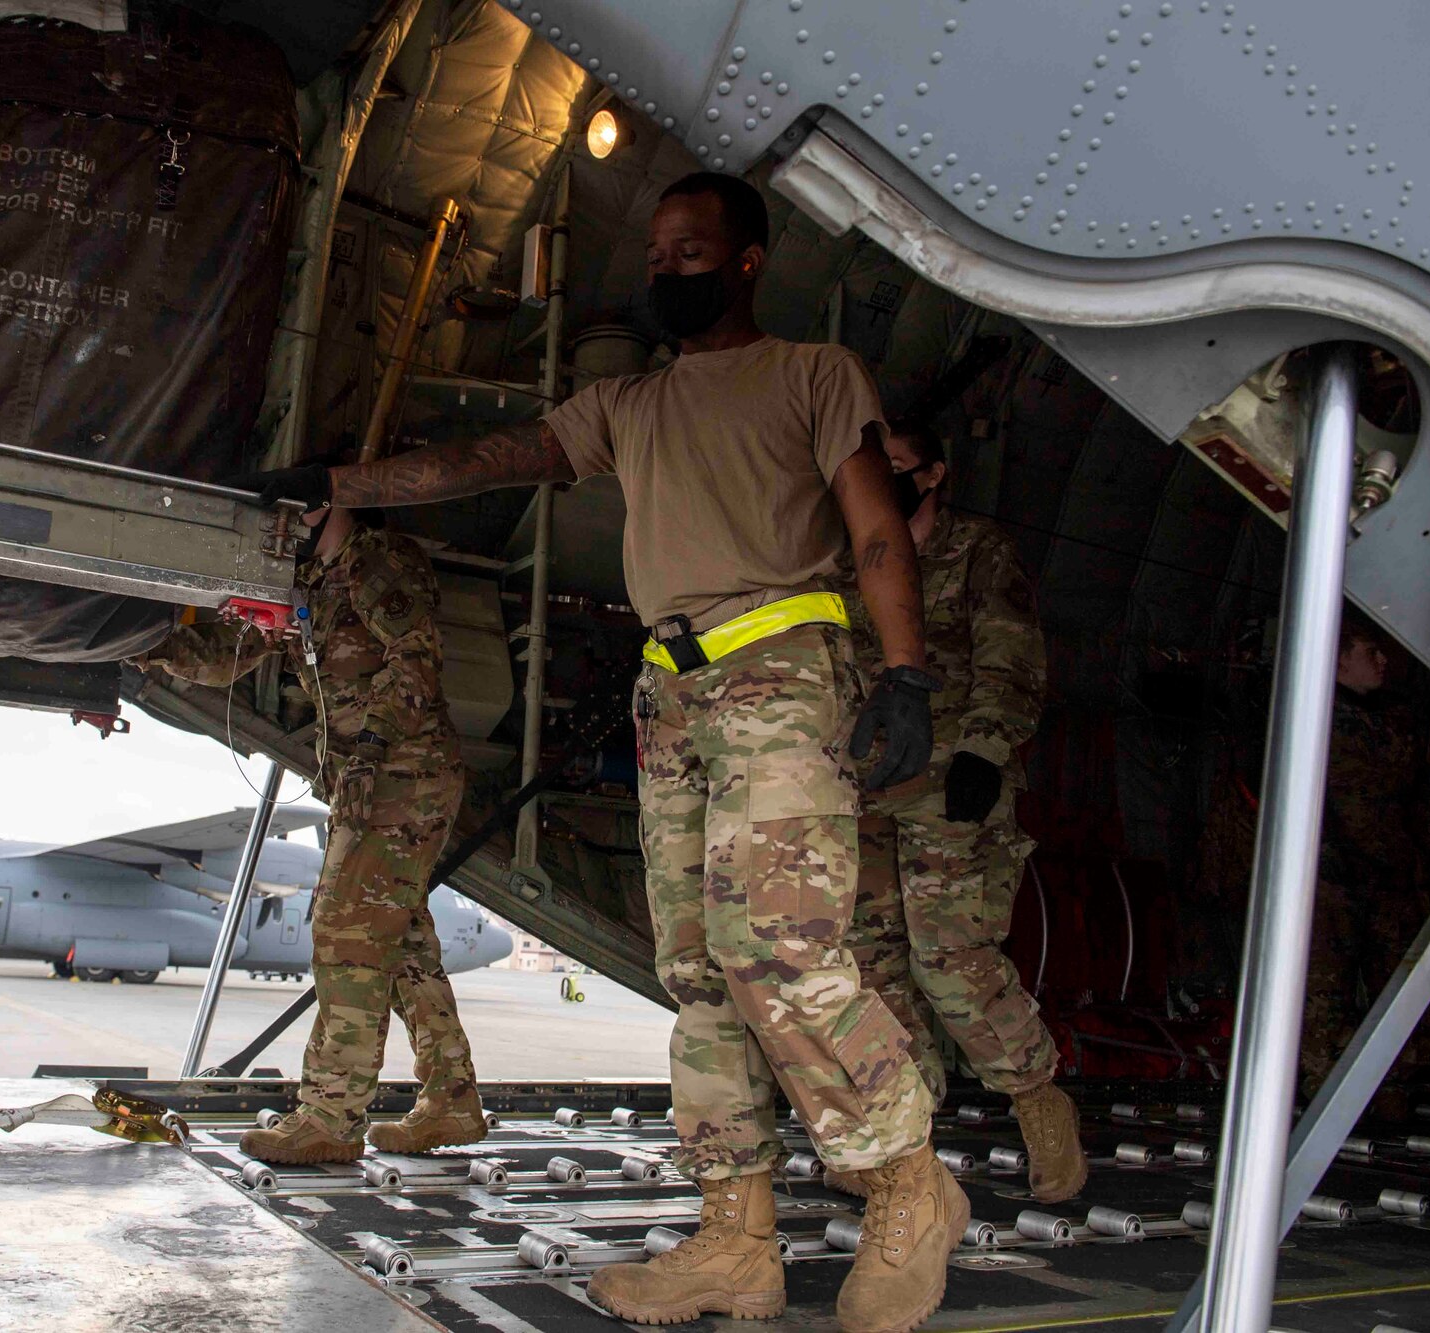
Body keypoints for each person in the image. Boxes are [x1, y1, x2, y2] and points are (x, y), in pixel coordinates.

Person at [239, 172, 963, 1333]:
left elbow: (876, 527)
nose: (668, 267)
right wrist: (339, 486)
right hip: (670, 696)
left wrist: (907, 671)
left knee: (776, 950)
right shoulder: (627, 403)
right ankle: (735, 1239)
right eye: (658, 250)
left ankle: (907, 1182)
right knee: (695, 970)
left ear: (747, 261)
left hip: (781, 670)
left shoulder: (810, 375)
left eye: (693, 249)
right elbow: (488, 462)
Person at [134, 505, 484, 1161]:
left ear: (315, 510)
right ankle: (452, 1100)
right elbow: (228, 655)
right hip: (373, 778)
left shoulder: (371, 560)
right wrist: (148, 648)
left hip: (402, 776)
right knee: (402, 946)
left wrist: (372, 749)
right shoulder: (307, 586)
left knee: (345, 933)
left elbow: (417, 655)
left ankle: (330, 1116)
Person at [832, 420, 1086, 1205]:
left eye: (900, 467)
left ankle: (1040, 1099)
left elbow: (1011, 653)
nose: (886, 479)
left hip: (953, 782)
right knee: (868, 962)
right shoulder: (852, 562)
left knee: (950, 959)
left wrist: (984, 748)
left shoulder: (979, 549)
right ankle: (905, 1132)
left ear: (934, 474)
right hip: (869, 785)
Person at [1296, 616, 1430, 1095]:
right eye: (1371, 652)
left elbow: (1413, 796)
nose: (1383, 661)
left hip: (1388, 883)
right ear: (1340, 659)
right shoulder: (1317, 718)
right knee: (1325, 996)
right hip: (1333, 883)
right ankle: (1318, 1097)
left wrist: (1428, 864)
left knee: (1397, 995)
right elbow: (1363, 796)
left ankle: (1389, 1093)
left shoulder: (1392, 717)